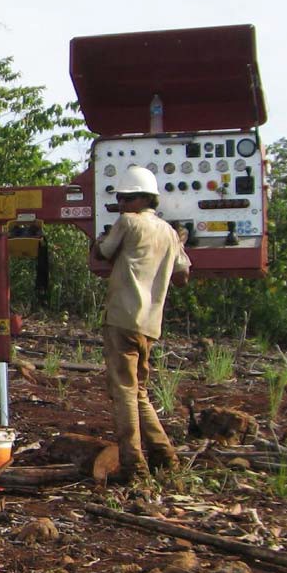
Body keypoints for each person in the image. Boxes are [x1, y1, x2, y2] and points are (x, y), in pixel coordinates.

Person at [94, 164, 191, 482]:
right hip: (149, 324)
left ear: (137, 199)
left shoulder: (128, 222)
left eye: (123, 198)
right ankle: (165, 456)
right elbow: (182, 275)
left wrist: (100, 239)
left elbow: (105, 252)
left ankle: (134, 465)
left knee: (123, 390)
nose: (120, 204)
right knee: (140, 392)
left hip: (122, 318)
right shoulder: (169, 232)